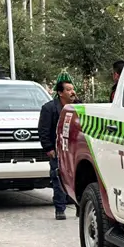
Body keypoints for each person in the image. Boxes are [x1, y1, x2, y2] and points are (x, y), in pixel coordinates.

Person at [38, 81, 76, 220]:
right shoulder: (49, 108)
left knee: (78, 179)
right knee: (58, 178)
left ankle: (79, 208)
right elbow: (43, 130)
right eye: (68, 90)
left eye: (73, 89)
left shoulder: (78, 106)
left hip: (74, 150)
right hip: (58, 150)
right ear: (60, 93)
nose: (72, 92)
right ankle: (60, 209)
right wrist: (48, 148)